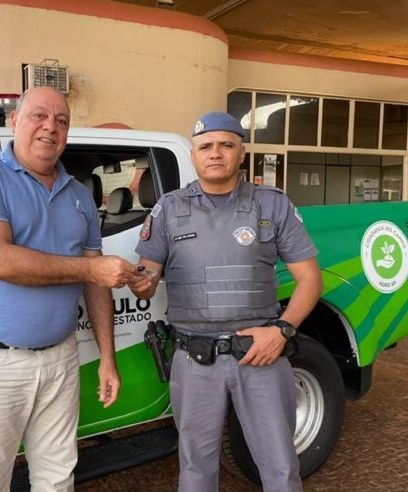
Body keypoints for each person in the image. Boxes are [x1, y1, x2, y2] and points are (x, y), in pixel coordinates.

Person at [0, 86, 137, 491]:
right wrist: (93, 268)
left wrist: (108, 358)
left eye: (62, 120)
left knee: (57, 477)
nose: (50, 127)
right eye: (39, 116)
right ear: (15, 120)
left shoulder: (81, 197)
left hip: (60, 359)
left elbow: (95, 281)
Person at [128, 112, 323, 491]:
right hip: (194, 360)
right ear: (194, 155)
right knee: (196, 470)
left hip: (261, 355)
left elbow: (310, 280)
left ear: (242, 153)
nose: (215, 153)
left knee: (281, 468)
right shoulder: (169, 209)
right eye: (205, 146)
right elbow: (147, 281)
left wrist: (282, 331)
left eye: (225, 145)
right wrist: (136, 280)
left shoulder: (272, 205)